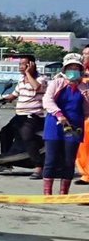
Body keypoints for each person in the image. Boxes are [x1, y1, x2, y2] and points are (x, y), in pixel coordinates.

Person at [41, 53, 89, 195]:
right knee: (51, 159)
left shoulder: (84, 87)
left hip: (75, 126)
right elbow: (47, 100)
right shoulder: (57, 83)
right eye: (70, 67)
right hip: (54, 124)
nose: (73, 70)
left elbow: (86, 109)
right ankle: (47, 192)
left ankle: (64, 193)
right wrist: (59, 114)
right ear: (64, 68)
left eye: (76, 67)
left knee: (69, 161)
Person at [0, 55, 48, 178]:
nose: (21, 67)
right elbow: (14, 95)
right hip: (20, 116)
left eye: (24, 64)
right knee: (4, 133)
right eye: (20, 64)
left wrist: (28, 73)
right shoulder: (21, 80)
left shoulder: (41, 79)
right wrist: (1, 99)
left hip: (33, 116)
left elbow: (37, 87)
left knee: (26, 135)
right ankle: (6, 162)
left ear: (31, 65)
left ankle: (39, 166)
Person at [75, 44, 89, 185]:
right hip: (81, 115)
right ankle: (85, 174)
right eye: (84, 53)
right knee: (82, 146)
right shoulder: (78, 73)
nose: (85, 56)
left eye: (88, 54)